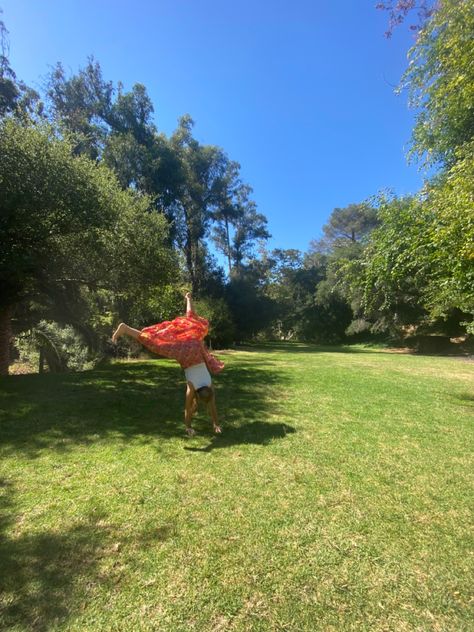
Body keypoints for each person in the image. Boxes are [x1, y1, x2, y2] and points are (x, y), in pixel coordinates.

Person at [112, 292, 223, 436]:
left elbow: (211, 407)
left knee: (190, 321)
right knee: (156, 344)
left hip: (194, 345)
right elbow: (188, 409)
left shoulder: (208, 384)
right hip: (183, 353)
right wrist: (188, 427)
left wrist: (216, 424)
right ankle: (126, 329)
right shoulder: (192, 388)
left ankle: (188, 298)